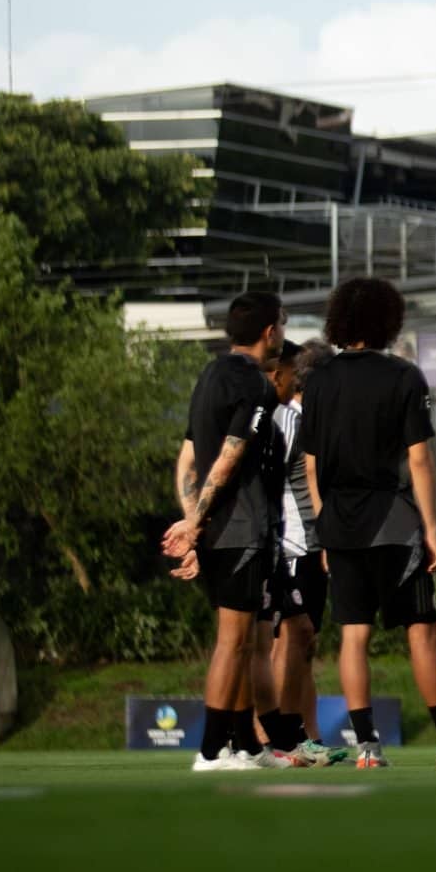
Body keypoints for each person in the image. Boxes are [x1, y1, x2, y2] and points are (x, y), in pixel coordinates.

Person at [302, 276, 436, 770]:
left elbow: (310, 463)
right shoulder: (403, 376)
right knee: (421, 632)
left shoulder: (320, 379)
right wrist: (431, 530)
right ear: (388, 321)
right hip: (392, 521)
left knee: (354, 635)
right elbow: (419, 460)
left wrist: (326, 524)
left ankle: (368, 748)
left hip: (339, 523)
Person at [162, 290, 289, 773]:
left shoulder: (209, 374)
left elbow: (187, 461)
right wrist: (196, 524)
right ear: (268, 331)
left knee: (248, 642)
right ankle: (211, 752)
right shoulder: (256, 386)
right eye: (281, 323)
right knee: (233, 643)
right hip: (239, 530)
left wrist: (195, 523)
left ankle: (248, 747)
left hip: (220, 529)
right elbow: (231, 455)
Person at [261, 338, 334, 764]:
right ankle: (272, 740)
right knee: (284, 642)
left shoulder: (316, 421)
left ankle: (309, 736)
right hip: (290, 544)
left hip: (312, 545)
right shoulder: (287, 420)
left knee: (305, 642)